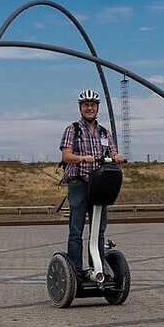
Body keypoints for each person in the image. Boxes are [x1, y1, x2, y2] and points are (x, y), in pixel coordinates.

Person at [59, 89, 124, 276]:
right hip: (79, 184)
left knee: (98, 230)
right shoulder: (73, 129)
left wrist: (117, 157)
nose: (89, 108)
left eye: (93, 105)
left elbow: (111, 152)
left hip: (99, 185)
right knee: (76, 231)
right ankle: (76, 272)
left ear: (97, 108)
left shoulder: (104, 132)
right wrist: (82, 158)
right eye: (86, 105)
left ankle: (98, 269)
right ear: (81, 108)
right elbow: (66, 155)